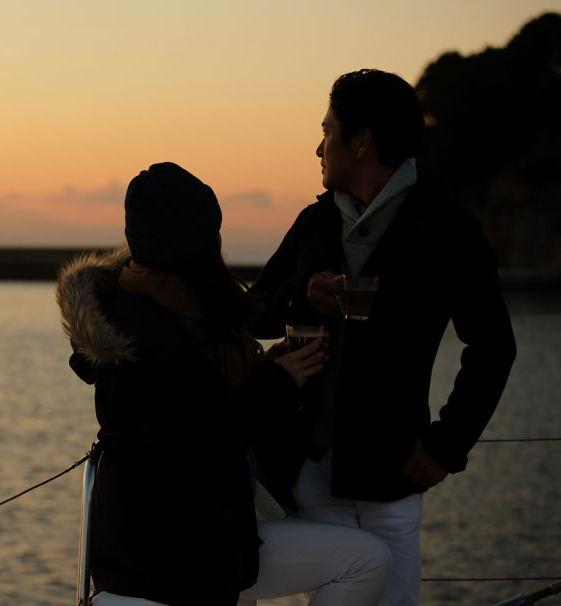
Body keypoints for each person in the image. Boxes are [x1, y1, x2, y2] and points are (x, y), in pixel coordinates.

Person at [57, 161, 391, 606]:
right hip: (177, 555)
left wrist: (266, 370)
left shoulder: (146, 314)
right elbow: (203, 454)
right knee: (368, 560)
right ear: (195, 247)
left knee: (361, 558)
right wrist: (275, 383)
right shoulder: (154, 342)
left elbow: (193, 419)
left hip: (165, 542)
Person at [248, 69, 517, 606]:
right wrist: (302, 293)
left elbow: (493, 345)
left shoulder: (446, 227)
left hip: (394, 472)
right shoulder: (316, 223)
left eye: (327, 132)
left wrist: (446, 445)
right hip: (309, 472)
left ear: (361, 141)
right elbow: (254, 313)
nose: (318, 148)